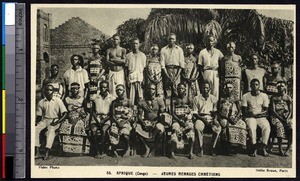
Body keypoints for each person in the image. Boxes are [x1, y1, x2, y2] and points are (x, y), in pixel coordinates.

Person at [35, 84, 67, 160]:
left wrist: (57, 122)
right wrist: (36, 123)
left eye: (50, 90)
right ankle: (37, 151)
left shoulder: (58, 100)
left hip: (55, 119)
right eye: (46, 90)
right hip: (45, 120)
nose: (48, 92)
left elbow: (65, 113)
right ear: (44, 92)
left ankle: (47, 152)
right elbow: (39, 116)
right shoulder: (41, 102)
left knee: (51, 130)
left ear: (53, 91)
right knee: (35, 129)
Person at [135, 84, 166, 157]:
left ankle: (154, 149)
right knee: (136, 128)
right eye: (149, 89)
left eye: (153, 89)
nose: (151, 91)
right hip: (146, 122)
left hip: (157, 121)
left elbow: (162, 114)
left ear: (155, 91)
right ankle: (146, 147)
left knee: (160, 129)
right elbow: (139, 115)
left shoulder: (159, 100)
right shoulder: (142, 101)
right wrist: (143, 123)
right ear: (146, 90)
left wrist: (155, 122)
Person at [216, 83, 247, 155]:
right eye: (226, 88)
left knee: (242, 124)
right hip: (224, 117)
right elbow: (219, 112)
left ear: (232, 89)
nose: (228, 89)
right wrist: (227, 118)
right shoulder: (221, 99)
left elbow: (239, 110)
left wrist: (236, 118)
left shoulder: (235, 99)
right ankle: (227, 147)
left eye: (230, 88)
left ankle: (236, 147)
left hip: (233, 117)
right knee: (226, 125)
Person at [59, 82, 90, 155]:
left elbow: (85, 112)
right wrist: (69, 118)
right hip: (68, 117)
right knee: (65, 127)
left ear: (79, 90)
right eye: (73, 89)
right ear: (70, 90)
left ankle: (79, 150)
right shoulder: (67, 99)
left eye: (76, 89)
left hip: (80, 117)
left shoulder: (82, 99)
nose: (75, 90)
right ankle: (66, 149)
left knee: (78, 127)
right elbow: (64, 111)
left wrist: (78, 118)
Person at [242, 78, 270, 157]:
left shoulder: (264, 95)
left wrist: (258, 114)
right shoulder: (246, 95)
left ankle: (263, 147)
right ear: (250, 86)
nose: (255, 86)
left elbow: (266, 110)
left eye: (256, 84)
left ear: (259, 85)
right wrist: (251, 114)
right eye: (253, 85)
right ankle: (254, 148)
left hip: (261, 116)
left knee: (266, 127)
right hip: (250, 117)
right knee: (251, 127)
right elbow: (244, 110)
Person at [89, 80, 115, 158]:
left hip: (107, 118)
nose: (103, 89)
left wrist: (104, 120)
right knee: (93, 131)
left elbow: (111, 113)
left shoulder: (111, 98)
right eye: (101, 87)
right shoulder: (95, 97)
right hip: (96, 117)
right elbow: (92, 111)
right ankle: (97, 151)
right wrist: (97, 120)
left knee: (104, 130)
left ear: (107, 88)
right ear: (99, 88)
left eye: (105, 87)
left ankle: (103, 150)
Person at [170, 83, 197, 159]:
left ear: (185, 89)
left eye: (182, 89)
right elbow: (172, 113)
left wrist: (187, 118)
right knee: (174, 129)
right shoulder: (174, 99)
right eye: (179, 89)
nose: (180, 90)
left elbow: (191, 110)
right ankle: (172, 152)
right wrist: (179, 120)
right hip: (176, 120)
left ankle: (190, 152)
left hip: (186, 119)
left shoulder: (188, 99)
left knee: (191, 130)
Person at [194, 81, 221, 156]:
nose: (205, 89)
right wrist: (204, 121)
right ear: (201, 88)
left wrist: (214, 120)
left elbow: (215, 112)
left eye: (207, 88)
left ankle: (212, 147)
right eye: (203, 88)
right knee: (197, 126)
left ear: (209, 89)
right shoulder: (196, 98)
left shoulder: (214, 98)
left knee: (218, 128)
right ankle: (200, 148)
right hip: (200, 117)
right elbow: (195, 113)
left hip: (211, 117)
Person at [109, 84, 134, 157]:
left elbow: (131, 114)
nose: (118, 91)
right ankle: (113, 150)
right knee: (113, 132)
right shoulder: (114, 102)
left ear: (124, 91)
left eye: (120, 90)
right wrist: (117, 122)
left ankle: (127, 149)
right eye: (117, 90)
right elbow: (112, 115)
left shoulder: (128, 102)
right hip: (116, 122)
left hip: (126, 121)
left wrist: (123, 122)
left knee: (126, 134)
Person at [270, 81, 293, 156]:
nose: (280, 88)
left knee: (292, 127)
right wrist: (281, 119)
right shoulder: (274, 97)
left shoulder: (288, 98)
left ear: (285, 87)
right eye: (279, 86)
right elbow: (273, 111)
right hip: (276, 116)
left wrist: (287, 118)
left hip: (286, 116)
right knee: (279, 126)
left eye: (282, 86)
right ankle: (280, 149)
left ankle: (288, 149)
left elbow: (290, 110)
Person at [160, 33, 185, 98]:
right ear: (168, 40)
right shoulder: (163, 50)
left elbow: (181, 64)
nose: (171, 40)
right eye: (170, 39)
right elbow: (162, 65)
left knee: (177, 90)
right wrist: (167, 76)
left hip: (177, 71)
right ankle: (168, 107)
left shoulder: (179, 49)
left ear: (175, 40)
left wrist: (177, 76)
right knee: (168, 91)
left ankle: (177, 106)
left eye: (173, 39)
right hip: (167, 70)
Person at [125, 38, 147, 105]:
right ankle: (131, 113)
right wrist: (127, 80)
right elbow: (126, 69)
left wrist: (144, 79)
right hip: (131, 79)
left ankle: (140, 114)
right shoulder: (128, 56)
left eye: (136, 43)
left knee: (140, 98)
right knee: (131, 99)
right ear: (131, 44)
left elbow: (144, 69)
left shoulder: (143, 55)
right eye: (133, 43)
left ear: (139, 44)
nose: (135, 45)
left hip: (140, 78)